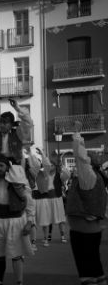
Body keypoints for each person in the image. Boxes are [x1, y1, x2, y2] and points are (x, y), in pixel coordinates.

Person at [0, 156, 34, 285]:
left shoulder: (18, 182)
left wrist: (30, 221)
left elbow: (29, 202)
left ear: (7, 167)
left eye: (1, 166)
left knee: (16, 254)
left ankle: (19, 282)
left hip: (16, 221)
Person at [66, 121, 107, 285]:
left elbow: (81, 157)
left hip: (83, 229)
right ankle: (100, 280)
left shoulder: (88, 176)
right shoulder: (97, 177)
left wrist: (77, 134)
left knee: (85, 266)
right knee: (94, 263)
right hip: (92, 228)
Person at [36, 148, 69, 246]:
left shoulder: (59, 174)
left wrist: (61, 164)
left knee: (60, 218)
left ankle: (62, 236)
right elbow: (45, 163)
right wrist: (42, 154)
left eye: (52, 165)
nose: (50, 166)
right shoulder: (43, 174)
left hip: (57, 198)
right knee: (46, 219)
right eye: (49, 165)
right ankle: (46, 238)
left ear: (55, 166)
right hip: (46, 199)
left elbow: (67, 175)